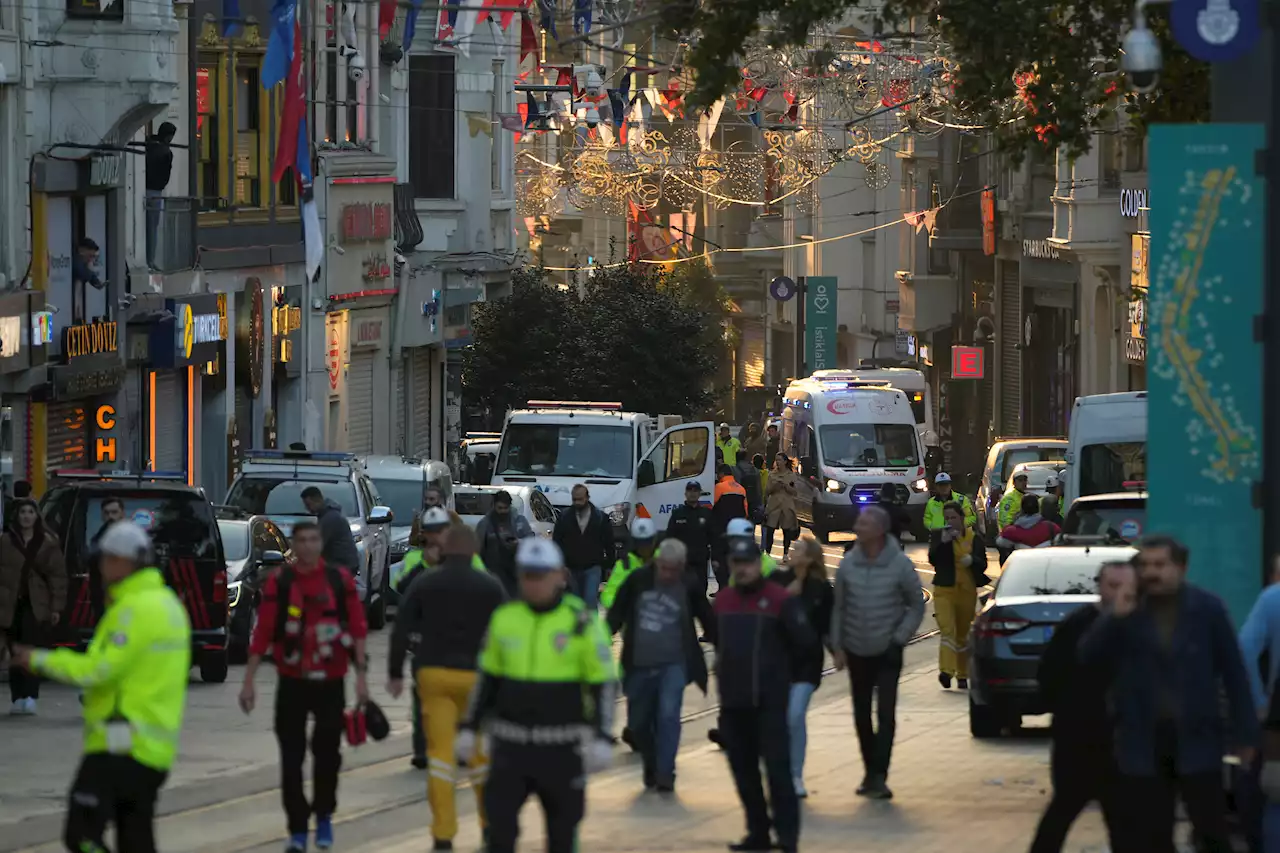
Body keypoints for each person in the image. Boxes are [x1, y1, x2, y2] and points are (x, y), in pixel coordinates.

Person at [13, 521, 188, 853]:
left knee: (81, 835)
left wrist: (38, 660)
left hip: (120, 744)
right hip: (154, 749)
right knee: (136, 841)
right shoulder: (169, 606)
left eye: (105, 559)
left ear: (122, 561)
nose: (102, 568)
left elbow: (98, 670)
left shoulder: (133, 609)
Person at [1079, 535, 1258, 853]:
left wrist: (1245, 735)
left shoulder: (1207, 609)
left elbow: (1234, 674)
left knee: (1212, 831)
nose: (1151, 573)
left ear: (1181, 567)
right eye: (1145, 565)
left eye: (1160, 565)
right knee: (1153, 836)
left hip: (1197, 738)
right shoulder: (1128, 610)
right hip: (1142, 742)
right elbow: (1088, 659)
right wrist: (1113, 619)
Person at [458, 537, 617, 853]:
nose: (533, 584)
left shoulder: (582, 623)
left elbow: (603, 684)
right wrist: (468, 727)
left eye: (541, 575)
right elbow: (487, 681)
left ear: (560, 576)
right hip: (509, 749)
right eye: (527, 575)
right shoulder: (505, 619)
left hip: (561, 750)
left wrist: (601, 735)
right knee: (499, 835)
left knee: (561, 836)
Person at [239, 520, 370, 853]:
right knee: (291, 758)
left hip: (331, 680)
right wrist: (249, 681)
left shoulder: (338, 580)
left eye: (314, 540)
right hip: (292, 680)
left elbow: (356, 629)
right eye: (303, 541)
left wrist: (362, 682)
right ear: (294, 547)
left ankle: (323, 815)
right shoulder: (280, 582)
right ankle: (297, 828)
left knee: (327, 755)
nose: (309, 546)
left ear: (321, 544)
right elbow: (264, 631)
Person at [388, 525, 506, 851]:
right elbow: (509, 632)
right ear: (473, 552)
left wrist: (395, 671)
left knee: (440, 756)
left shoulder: (427, 582)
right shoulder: (490, 585)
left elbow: (401, 625)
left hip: (434, 674)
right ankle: (488, 827)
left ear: (445, 551)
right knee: (481, 758)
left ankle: (443, 834)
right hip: (476, 680)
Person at [714, 538, 816, 853]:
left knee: (778, 773)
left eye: (748, 563)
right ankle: (757, 833)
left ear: (759, 565)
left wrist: (784, 681)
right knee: (744, 774)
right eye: (737, 563)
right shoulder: (724, 601)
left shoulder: (779, 600)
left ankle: (787, 839)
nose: (742, 569)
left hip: (769, 703)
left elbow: (806, 645)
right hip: (734, 704)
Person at [1027, 560, 1133, 853]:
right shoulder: (1078, 624)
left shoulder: (1141, 624)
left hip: (1122, 743)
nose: (1120, 593)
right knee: (1063, 810)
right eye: (1114, 585)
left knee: (1123, 822)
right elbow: (1049, 675)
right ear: (1100, 586)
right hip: (1078, 740)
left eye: (1128, 587)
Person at [607, 538, 716, 792]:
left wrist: (723, 647)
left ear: (681, 566)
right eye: (663, 567)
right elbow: (616, 614)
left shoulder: (688, 582)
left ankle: (666, 771)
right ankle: (651, 763)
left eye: (673, 569)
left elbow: (707, 616)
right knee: (640, 722)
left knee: (668, 714)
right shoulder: (638, 581)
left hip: (674, 663)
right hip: (639, 662)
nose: (667, 574)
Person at [830, 505, 925, 800]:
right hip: (856, 649)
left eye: (865, 522)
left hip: (887, 650)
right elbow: (839, 607)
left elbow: (916, 603)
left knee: (885, 714)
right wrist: (837, 645)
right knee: (861, 714)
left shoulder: (899, 564)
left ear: (880, 530)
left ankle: (879, 774)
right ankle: (870, 771)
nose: (858, 526)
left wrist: (900, 636)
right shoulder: (848, 564)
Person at [771, 537, 834, 798]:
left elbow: (828, 625)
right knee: (781, 721)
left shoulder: (822, 589)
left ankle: (795, 775)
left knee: (795, 716)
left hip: (808, 662)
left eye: (798, 549)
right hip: (778, 661)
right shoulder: (777, 581)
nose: (792, 552)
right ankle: (782, 773)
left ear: (809, 558)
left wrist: (837, 651)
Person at [0, 498, 66, 714]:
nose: (26, 516)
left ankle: (30, 695)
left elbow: (58, 576)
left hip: (37, 605)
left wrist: (56, 606)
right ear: (16, 516)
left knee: (32, 650)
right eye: (22, 512)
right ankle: (17, 697)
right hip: (11, 604)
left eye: (30, 512)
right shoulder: (6, 541)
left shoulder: (47, 542)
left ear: (37, 516)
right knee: (14, 650)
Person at [928, 502, 988, 690]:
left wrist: (972, 560)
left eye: (953, 517)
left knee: (963, 634)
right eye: (947, 518)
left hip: (967, 590)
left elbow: (983, 564)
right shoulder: (940, 536)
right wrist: (942, 544)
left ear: (961, 518)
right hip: (944, 589)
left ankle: (963, 674)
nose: (950, 522)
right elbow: (932, 559)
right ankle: (946, 671)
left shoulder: (974, 538)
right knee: (948, 631)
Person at [551, 484, 615, 610]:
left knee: (590, 601)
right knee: (574, 604)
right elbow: (556, 543)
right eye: (574, 499)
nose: (577, 502)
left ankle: (591, 628)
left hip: (592, 567)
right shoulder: (564, 517)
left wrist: (609, 566)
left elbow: (609, 543)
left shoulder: (600, 518)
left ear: (587, 498)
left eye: (580, 499)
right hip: (571, 568)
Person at [476, 490, 533, 596]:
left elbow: (531, 540)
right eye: (500, 508)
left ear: (510, 506)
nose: (502, 511)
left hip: (515, 573)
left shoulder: (519, 521)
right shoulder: (485, 524)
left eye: (505, 508)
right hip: (493, 574)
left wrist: (518, 543)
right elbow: (477, 550)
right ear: (493, 506)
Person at [665, 481, 713, 594]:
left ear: (700, 493)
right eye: (690, 490)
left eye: (695, 491)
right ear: (685, 493)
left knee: (700, 593)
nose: (692, 493)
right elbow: (670, 537)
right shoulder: (677, 513)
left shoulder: (706, 514)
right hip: (682, 563)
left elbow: (714, 538)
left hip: (700, 562)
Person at [301, 486, 360, 576]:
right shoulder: (329, 515)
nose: (307, 509)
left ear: (317, 500)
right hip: (343, 564)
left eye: (309, 505)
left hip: (341, 565)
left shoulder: (329, 518)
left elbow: (317, 545)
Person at [600, 517, 657, 610]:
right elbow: (608, 595)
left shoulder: (664, 560)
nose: (644, 549)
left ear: (654, 540)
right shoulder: (624, 565)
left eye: (648, 543)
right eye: (640, 544)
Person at [87, 496, 127, 620]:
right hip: (104, 598)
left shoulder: (132, 538)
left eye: (114, 512)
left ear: (122, 514)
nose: (111, 516)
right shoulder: (97, 540)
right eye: (106, 513)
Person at [711, 465, 748, 590]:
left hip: (721, 530)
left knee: (719, 559)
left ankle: (723, 587)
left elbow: (711, 506)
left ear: (721, 474)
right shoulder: (741, 489)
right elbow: (746, 511)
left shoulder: (719, 487)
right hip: (737, 532)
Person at [145, 121, 176, 268]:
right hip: (155, 192)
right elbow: (165, 176)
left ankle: (145, 259)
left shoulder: (148, 145)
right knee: (152, 228)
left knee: (144, 227)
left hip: (143, 188)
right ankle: (150, 260)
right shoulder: (166, 153)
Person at [996, 493, 1060, 556]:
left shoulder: (1010, 531)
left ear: (1022, 509)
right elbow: (1061, 542)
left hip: (1020, 564)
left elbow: (1000, 543)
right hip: (1045, 564)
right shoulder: (1051, 528)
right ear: (1038, 508)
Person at [762, 453, 799, 558]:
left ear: (785, 462)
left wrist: (787, 487)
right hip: (774, 505)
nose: (778, 462)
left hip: (786, 505)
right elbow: (767, 491)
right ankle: (768, 552)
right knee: (770, 530)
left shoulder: (791, 475)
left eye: (780, 460)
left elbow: (795, 492)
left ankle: (786, 553)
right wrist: (775, 486)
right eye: (776, 460)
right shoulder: (772, 475)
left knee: (786, 531)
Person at [734, 453, 763, 523]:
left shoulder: (734, 469)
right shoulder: (755, 470)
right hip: (753, 501)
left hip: (740, 500)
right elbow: (759, 489)